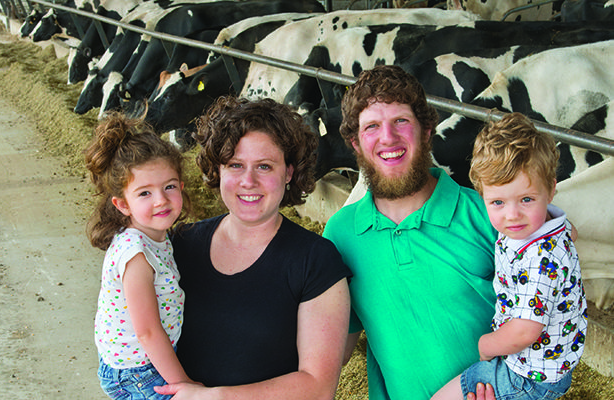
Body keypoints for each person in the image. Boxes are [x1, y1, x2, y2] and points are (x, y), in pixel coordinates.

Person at [154, 96, 352, 399]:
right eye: (235, 165)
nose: (248, 181)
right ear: (218, 169)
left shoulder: (315, 260)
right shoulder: (181, 244)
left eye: (264, 166)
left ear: (288, 173)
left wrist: (214, 397)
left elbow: (318, 387)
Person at [322, 64, 499, 400]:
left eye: (401, 121)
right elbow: (336, 347)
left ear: (427, 130)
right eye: (372, 126)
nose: (388, 137)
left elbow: (542, 314)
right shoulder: (341, 233)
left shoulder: (486, 215)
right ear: (356, 144)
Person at [431, 112, 588, 400]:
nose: (512, 215)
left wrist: (486, 346)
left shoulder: (540, 261)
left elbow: (524, 332)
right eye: (498, 202)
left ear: (551, 189)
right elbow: (571, 232)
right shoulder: (551, 223)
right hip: (547, 365)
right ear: (482, 195)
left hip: (527, 376)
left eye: (526, 199)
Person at [85, 111, 196, 399]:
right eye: (144, 193)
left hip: (148, 359)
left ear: (181, 187)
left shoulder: (156, 237)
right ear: (123, 204)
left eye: (169, 187)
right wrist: (184, 385)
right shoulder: (136, 255)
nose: (161, 200)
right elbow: (147, 331)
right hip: (136, 372)